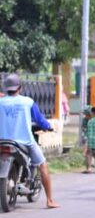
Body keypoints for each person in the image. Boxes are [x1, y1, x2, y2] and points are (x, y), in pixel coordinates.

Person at [0, 74, 59, 208]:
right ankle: (50, 200)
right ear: (19, 87)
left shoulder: (0, 102)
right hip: (25, 142)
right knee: (42, 165)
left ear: (6, 88)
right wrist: (48, 127)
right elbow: (40, 120)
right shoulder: (28, 101)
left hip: (2, 141)